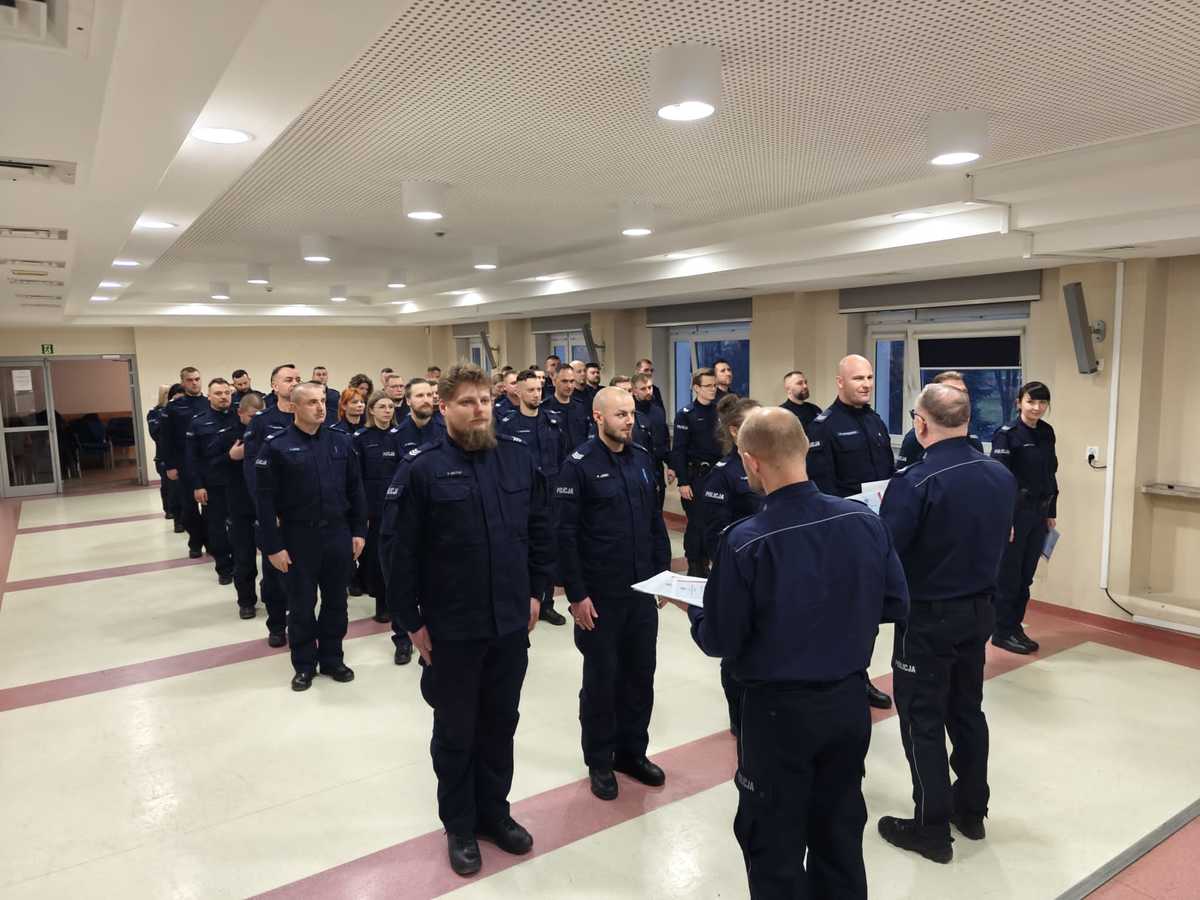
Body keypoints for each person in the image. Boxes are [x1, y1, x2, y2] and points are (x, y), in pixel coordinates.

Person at [665, 407, 909, 899]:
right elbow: (895, 602)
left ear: (751, 462)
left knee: (773, 842)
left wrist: (694, 609)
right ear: (803, 451)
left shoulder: (745, 542)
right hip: (847, 704)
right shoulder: (863, 519)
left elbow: (720, 640)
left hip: (778, 716)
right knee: (839, 831)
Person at [381, 363, 553, 877]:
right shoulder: (421, 469)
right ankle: (459, 825)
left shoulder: (517, 459)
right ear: (444, 407)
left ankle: (494, 813)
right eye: (467, 402)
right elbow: (397, 553)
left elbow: (539, 528)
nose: (479, 410)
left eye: (485, 400)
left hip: (509, 623)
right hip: (452, 628)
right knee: (456, 730)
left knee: (500, 724)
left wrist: (537, 592)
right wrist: (411, 622)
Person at [876, 383, 1017, 863]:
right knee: (967, 710)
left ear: (920, 424)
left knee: (922, 718)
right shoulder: (1000, 475)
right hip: (979, 612)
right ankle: (971, 811)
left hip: (928, 617)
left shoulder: (915, 482)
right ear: (966, 420)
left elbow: (888, 552)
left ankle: (931, 827)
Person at [557, 387, 671, 802]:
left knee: (640, 676)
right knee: (602, 681)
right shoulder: (578, 466)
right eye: (620, 414)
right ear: (598, 417)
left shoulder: (641, 458)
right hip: (601, 596)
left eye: (631, 414)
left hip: (640, 591)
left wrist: (662, 576)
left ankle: (631, 752)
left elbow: (654, 522)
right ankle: (600, 761)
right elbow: (565, 535)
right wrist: (577, 594)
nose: (629, 420)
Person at [255, 381, 367, 691]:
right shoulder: (276, 446)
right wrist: (273, 547)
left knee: (336, 602)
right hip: (297, 537)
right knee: (302, 605)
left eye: (322, 401)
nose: (320, 408)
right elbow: (264, 502)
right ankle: (304, 664)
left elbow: (356, 489)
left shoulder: (341, 441)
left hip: (337, 534)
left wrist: (359, 531)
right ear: (293, 407)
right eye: (311, 402)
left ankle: (332, 658)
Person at [807, 354, 898, 710]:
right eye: (858, 378)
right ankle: (832, 677)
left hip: (876, 531)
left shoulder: (876, 422)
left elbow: (888, 476)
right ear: (840, 382)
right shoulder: (823, 426)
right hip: (842, 534)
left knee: (868, 613)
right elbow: (823, 489)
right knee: (838, 612)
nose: (867, 384)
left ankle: (859, 675)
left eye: (870, 377)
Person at [701, 396, 763, 736]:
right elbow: (716, 536)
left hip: (773, 572)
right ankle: (739, 717)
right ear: (736, 431)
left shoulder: (769, 464)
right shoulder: (723, 475)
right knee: (737, 650)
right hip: (741, 575)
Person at [989, 381, 1058, 655]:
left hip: (1039, 512)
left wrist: (1051, 512)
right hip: (1015, 513)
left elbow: (1050, 474)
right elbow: (1000, 480)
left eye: (1042, 403)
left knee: (1026, 576)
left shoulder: (1046, 432)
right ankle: (1001, 631)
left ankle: (1015, 626)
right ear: (1019, 402)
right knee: (1009, 576)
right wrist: (1005, 519)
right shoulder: (1006, 435)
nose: (1036, 408)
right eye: (1031, 401)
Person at [497, 370, 570, 626]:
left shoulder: (553, 421)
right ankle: (520, 600)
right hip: (520, 496)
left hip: (550, 496)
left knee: (546, 549)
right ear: (517, 392)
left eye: (539, 389)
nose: (537, 394)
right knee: (520, 549)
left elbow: (563, 456)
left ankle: (546, 602)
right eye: (530, 390)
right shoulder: (507, 424)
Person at [243, 363, 302, 647]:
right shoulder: (262, 422)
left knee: (302, 576)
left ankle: (301, 624)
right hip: (275, 513)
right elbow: (252, 470)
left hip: (305, 513)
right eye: (288, 379)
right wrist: (266, 511)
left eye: (298, 379)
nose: (294, 383)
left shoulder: (311, 418)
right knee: (274, 574)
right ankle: (277, 625)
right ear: (274, 386)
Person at [354, 391, 402, 635]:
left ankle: (401, 603)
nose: (387, 411)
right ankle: (382, 604)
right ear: (371, 410)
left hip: (400, 505)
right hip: (374, 507)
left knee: (400, 557)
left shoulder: (400, 435)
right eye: (382, 406)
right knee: (377, 558)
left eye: (391, 407)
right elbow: (356, 478)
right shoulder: (361, 438)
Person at [185, 378, 238, 586]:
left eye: (227, 393)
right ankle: (224, 568)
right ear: (209, 396)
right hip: (213, 483)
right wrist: (197, 485)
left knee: (240, 527)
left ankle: (240, 563)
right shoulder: (198, 422)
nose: (224, 396)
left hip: (238, 482)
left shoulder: (239, 416)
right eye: (218, 393)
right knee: (216, 529)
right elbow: (192, 458)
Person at [669, 368, 721, 577]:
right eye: (708, 386)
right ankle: (695, 564)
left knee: (714, 521)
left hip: (717, 475)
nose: (713, 389)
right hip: (695, 476)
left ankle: (707, 561)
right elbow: (679, 450)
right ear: (696, 388)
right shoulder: (686, 414)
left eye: (714, 385)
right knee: (697, 523)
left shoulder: (720, 412)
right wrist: (683, 481)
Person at [159, 366, 210, 559]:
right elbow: (166, 439)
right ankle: (195, 543)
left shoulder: (208, 403)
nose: (194, 383)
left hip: (207, 464)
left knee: (211, 509)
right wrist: (169, 466)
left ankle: (211, 543)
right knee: (188, 509)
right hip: (183, 464)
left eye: (197, 379)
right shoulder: (173, 408)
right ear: (182, 383)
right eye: (190, 380)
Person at [226, 391, 264, 618]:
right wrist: (231, 455)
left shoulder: (266, 431)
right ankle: (246, 601)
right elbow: (219, 462)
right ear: (240, 413)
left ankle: (272, 595)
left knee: (272, 554)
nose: (255, 421)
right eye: (251, 417)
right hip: (239, 501)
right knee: (244, 556)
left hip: (264, 500)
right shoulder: (230, 432)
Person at [895, 371, 983, 466]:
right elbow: (905, 472)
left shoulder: (973, 440)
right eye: (952, 391)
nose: (960, 397)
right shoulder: (915, 438)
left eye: (963, 392)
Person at [631, 372, 670, 510]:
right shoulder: (630, 413)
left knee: (658, 509)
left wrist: (671, 465)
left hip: (657, 467)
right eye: (643, 389)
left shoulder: (658, 411)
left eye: (650, 387)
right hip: (636, 468)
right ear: (634, 391)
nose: (648, 391)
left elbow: (664, 438)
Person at [543, 365, 591, 449]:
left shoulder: (580, 407)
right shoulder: (544, 408)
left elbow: (586, 434)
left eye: (572, 381)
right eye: (564, 381)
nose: (569, 386)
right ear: (555, 381)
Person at [394, 378, 446, 451]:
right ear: (408, 401)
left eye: (429, 395)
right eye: (420, 395)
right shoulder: (396, 436)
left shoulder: (446, 431)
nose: (426, 400)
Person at [147, 384, 175, 519]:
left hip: (179, 454)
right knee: (167, 484)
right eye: (167, 393)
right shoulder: (154, 413)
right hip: (163, 456)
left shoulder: (177, 410)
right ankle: (169, 509)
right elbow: (155, 434)